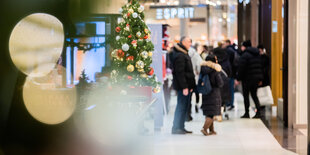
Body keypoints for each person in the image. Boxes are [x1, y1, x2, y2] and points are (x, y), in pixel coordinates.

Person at [170, 36, 196, 134]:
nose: (190, 43)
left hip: (187, 86)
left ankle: (181, 127)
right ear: (184, 42)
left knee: (184, 107)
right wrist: (184, 86)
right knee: (181, 107)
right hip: (183, 87)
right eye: (189, 41)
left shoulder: (184, 53)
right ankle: (176, 128)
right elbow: (180, 73)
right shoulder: (180, 55)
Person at [237, 40, 264, 118]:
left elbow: (241, 68)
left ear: (245, 47)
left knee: (246, 96)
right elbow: (260, 67)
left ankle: (247, 113)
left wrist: (238, 78)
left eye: (242, 46)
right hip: (256, 78)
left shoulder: (245, 55)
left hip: (247, 79)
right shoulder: (257, 54)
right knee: (254, 95)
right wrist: (260, 78)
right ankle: (258, 112)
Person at [200, 54, 224, 136]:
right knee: (212, 113)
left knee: (209, 112)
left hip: (206, 92)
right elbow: (220, 83)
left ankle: (212, 130)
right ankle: (204, 128)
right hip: (214, 93)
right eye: (216, 59)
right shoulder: (215, 70)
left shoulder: (203, 69)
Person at [223, 40, 238, 110]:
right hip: (232, 73)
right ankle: (231, 103)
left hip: (228, 73)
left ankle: (229, 103)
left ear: (228, 43)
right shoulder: (234, 50)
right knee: (231, 89)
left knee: (228, 89)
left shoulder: (227, 51)